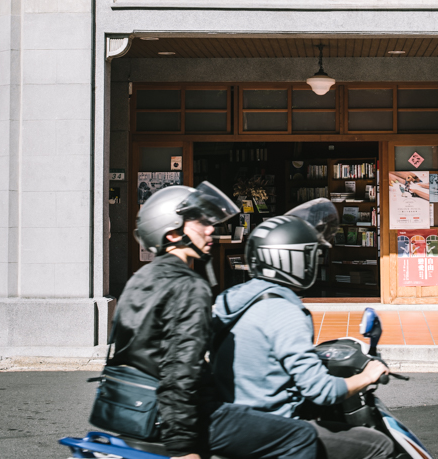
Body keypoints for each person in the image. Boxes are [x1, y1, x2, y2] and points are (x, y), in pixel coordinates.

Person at [109, 182, 318, 459]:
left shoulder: (141, 278)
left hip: (131, 408)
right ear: (172, 233)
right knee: (300, 435)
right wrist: (184, 448)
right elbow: (179, 371)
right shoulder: (188, 286)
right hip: (181, 417)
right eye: (199, 222)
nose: (210, 229)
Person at [212, 204, 394, 459]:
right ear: (292, 260)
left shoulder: (230, 299)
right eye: (310, 255)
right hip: (276, 426)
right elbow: (322, 390)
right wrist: (368, 375)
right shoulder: (284, 310)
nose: (315, 261)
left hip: (235, 422)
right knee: (378, 445)